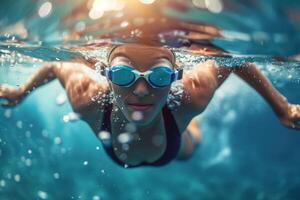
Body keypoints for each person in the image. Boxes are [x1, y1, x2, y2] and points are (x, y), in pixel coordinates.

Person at [0, 43, 299, 168]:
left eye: (158, 77)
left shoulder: (191, 94)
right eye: (122, 74)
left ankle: (192, 126)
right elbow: (54, 65)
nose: (141, 90)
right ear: (106, 74)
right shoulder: (87, 96)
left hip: (174, 142)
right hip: (137, 137)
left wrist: (281, 107)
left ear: (174, 77)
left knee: (189, 146)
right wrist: (20, 91)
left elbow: (236, 60)